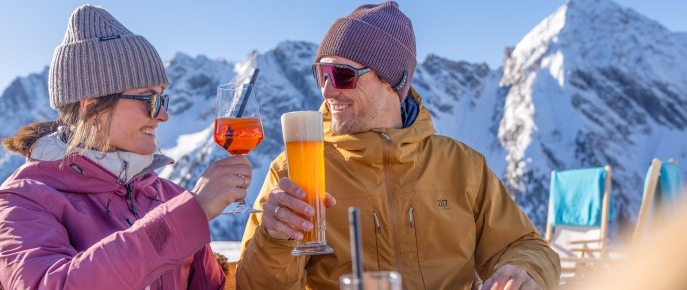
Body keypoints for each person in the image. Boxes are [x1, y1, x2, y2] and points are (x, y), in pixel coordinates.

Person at [237, 2, 560, 289]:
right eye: (321, 74)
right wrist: (274, 240)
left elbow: (526, 244)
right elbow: (251, 285)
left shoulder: (464, 166)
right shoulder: (293, 172)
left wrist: (524, 269)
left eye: (342, 75)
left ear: (392, 81)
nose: (327, 90)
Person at [0, 5, 251, 289]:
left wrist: (273, 240)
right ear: (92, 108)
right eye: (149, 100)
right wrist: (186, 217)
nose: (163, 115)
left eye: (162, 99)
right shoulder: (22, 201)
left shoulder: (170, 197)